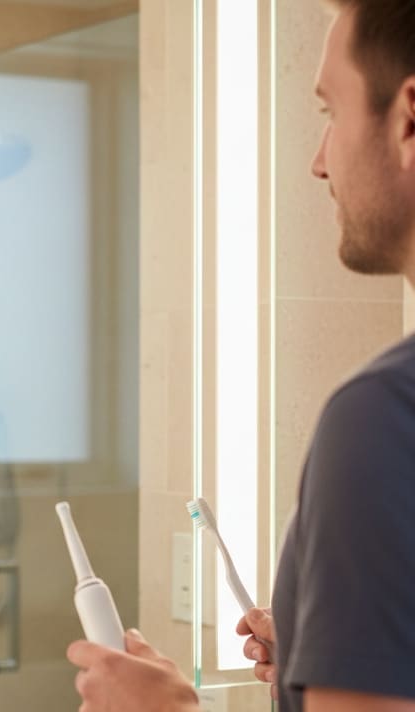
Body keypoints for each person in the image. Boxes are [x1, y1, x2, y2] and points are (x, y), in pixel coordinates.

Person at [68, 1, 415, 710]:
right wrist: (337, 648)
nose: (319, 162)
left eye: (331, 112)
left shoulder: (385, 419)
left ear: (409, 120)